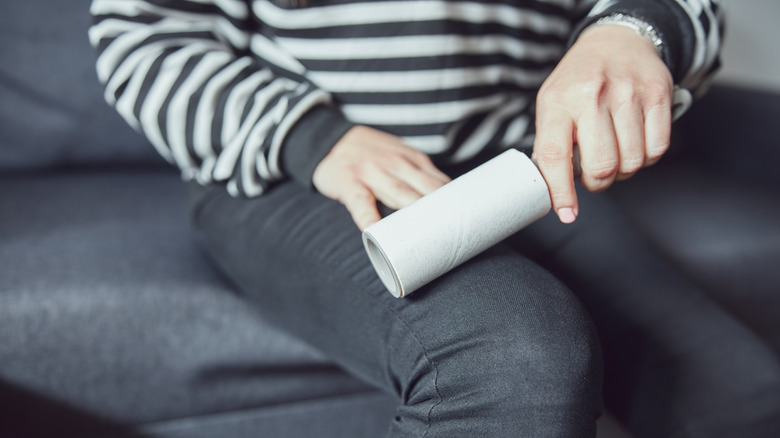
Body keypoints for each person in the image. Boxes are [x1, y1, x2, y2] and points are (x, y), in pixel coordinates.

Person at [89, 0, 780, 436]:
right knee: (515, 356)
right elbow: (140, 28)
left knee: (742, 400)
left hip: (521, 170)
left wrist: (635, 29)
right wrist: (311, 138)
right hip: (297, 167)